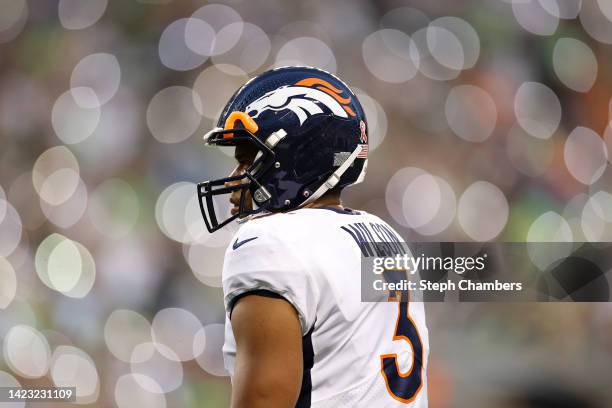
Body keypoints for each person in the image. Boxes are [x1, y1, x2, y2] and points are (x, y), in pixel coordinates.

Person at [197, 66, 429, 407]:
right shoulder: (385, 236)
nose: (235, 180)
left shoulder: (270, 244)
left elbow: (264, 400)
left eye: (249, 161)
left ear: (297, 156)